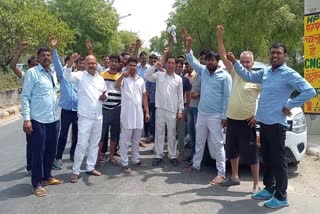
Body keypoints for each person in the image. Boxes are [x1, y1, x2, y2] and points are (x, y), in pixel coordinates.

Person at [227, 43, 316, 209]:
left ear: (285, 55)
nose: (275, 55)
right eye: (272, 53)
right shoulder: (266, 71)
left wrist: (289, 104)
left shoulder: (289, 74)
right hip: (264, 123)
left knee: (278, 161)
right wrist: (235, 62)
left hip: (277, 125)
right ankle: (269, 188)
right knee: (267, 159)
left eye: (278, 53)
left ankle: (282, 196)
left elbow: (310, 91)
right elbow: (248, 76)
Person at [182, 29, 232, 186]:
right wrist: (188, 46)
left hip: (216, 115)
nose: (209, 62)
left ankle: (221, 173)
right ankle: (196, 165)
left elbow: (228, 97)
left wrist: (225, 116)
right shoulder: (203, 71)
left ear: (217, 61)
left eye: (212, 60)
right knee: (199, 141)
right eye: (208, 60)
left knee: (218, 144)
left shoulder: (225, 76)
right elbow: (191, 60)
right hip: (202, 114)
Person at [216, 25, 261, 193]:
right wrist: (220, 35)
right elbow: (222, 54)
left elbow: (266, 99)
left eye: (247, 61)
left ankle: (256, 184)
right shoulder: (234, 72)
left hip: (247, 122)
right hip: (232, 119)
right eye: (242, 61)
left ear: (252, 63)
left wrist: (258, 115)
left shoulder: (258, 78)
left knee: (251, 154)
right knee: (232, 150)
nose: (244, 64)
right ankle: (234, 177)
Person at [21, 47, 63, 197]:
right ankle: (36, 183)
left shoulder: (52, 72)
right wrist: (27, 119)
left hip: (53, 118)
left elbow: (55, 91)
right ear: (38, 58)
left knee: (51, 150)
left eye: (48, 55)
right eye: (43, 55)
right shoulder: (32, 73)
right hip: (38, 119)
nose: (46, 57)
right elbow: (25, 96)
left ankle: (47, 177)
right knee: (38, 152)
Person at [64, 53, 107, 183]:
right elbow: (67, 76)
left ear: (96, 64)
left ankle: (90, 167)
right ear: (85, 64)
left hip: (98, 116)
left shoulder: (100, 78)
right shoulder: (80, 75)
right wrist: (71, 62)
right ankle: (76, 171)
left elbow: (106, 93)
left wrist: (105, 97)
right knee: (82, 144)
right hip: (85, 116)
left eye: (93, 63)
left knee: (94, 144)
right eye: (89, 63)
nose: (92, 65)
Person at [145, 57, 184, 167]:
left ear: (175, 65)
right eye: (169, 63)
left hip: (172, 110)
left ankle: (172, 156)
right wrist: (154, 66)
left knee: (171, 134)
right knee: (159, 133)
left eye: (173, 63)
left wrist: (180, 110)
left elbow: (180, 96)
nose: (171, 65)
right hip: (160, 109)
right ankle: (158, 155)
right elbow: (147, 76)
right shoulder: (159, 75)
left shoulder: (178, 79)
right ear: (166, 64)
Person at [115, 57, 150, 173]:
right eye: (130, 65)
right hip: (127, 114)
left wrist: (147, 111)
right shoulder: (124, 78)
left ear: (137, 67)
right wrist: (121, 76)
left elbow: (144, 96)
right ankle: (124, 162)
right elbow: (116, 85)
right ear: (127, 66)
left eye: (134, 65)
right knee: (125, 140)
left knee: (136, 139)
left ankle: (135, 159)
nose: (132, 67)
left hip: (138, 114)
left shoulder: (141, 79)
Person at [10, 41, 38, 176]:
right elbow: (12, 66)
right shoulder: (26, 76)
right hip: (31, 115)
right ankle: (31, 166)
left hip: (44, 115)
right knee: (31, 142)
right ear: (28, 66)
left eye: (37, 65)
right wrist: (20, 50)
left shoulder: (45, 75)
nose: (35, 67)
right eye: (33, 65)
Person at [98, 54, 122, 166]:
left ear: (118, 63)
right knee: (101, 135)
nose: (113, 63)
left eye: (115, 61)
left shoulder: (121, 76)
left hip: (117, 108)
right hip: (103, 108)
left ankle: (111, 156)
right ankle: (97, 157)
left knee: (114, 134)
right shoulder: (102, 75)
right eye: (111, 60)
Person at [175, 59, 192, 160]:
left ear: (182, 68)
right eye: (176, 66)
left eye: (179, 67)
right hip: (169, 108)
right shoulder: (168, 78)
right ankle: (172, 151)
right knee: (171, 131)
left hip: (182, 108)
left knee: (181, 132)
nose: (177, 68)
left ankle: (181, 152)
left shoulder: (185, 80)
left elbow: (188, 96)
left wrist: (187, 110)